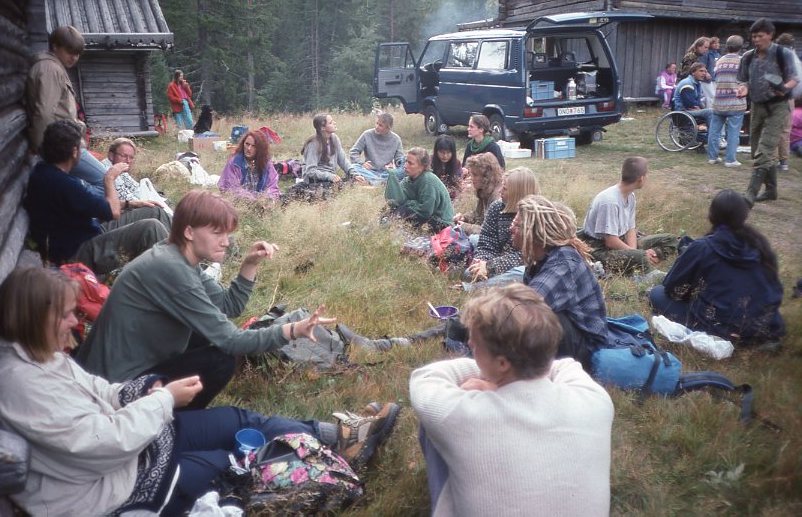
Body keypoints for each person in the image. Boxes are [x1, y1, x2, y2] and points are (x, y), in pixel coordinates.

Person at [0, 266, 400, 516]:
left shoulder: (45, 357)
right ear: (36, 320)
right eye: (66, 314)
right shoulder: (24, 386)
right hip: (106, 488)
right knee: (233, 461)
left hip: (132, 446)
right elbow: (101, 444)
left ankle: (341, 438)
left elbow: (101, 391)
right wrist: (163, 398)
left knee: (237, 421)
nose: (75, 321)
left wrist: (147, 389)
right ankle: (325, 476)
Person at [76, 190, 329, 409]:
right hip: (111, 387)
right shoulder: (171, 270)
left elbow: (228, 306)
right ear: (189, 232)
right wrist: (293, 330)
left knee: (206, 335)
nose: (226, 242)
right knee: (220, 360)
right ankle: (167, 423)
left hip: (119, 367)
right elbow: (231, 341)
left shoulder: (177, 257)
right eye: (218, 233)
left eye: (227, 234)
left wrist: (250, 264)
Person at [410, 284, 614, 517]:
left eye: (475, 344)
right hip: (518, 367)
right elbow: (563, 365)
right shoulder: (595, 400)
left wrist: (493, 382)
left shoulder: (460, 414)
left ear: (502, 363)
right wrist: (509, 375)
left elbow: (425, 377)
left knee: (430, 425)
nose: (470, 345)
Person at [23, 120, 169, 275]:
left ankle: (184, 255)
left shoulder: (45, 173)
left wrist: (130, 203)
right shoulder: (64, 184)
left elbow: (95, 205)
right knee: (151, 228)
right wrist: (110, 177)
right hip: (78, 253)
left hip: (90, 231)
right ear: (75, 152)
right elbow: (113, 212)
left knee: (154, 211)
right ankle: (174, 274)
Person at [649, 189, 785, 344]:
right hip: (759, 326)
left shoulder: (703, 247)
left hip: (717, 325)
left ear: (712, 215)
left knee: (656, 293)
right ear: (744, 216)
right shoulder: (760, 247)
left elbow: (672, 288)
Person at [26, 25, 108, 196]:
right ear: (55, 46)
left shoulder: (53, 67)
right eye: (70, 51)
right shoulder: (50, 69)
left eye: (77, 53)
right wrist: (38, 146)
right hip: (60, 145)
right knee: (105, 180)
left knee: (72, 185)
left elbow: (59, 110)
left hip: (62, 142)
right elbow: (44, 113)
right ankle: (81, 211)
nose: (74, 57)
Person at [737, 18, 799, 205]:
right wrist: (743, 89)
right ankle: (771, 190)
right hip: (757, 106)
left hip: (778, 106)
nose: (756, 40)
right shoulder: (748, 57)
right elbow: (744, 80)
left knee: (765, 149)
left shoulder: (782, 53)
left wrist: (785, 88)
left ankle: (750, 194)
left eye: (760, 36)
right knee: (756, 150)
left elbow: (794, 78)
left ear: (770, 35)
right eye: (754, 36)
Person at [580, 157, 677, 275]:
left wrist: (633, 251)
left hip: (621, 241)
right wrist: (636, 254)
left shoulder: (630, 196)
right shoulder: (609, 201)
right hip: (599, 249)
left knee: (670, 239)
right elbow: (610, 241)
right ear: (641, 179)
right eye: (646, 175)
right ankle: (651, 274)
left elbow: (630, 229)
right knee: (639, 256)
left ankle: (648, 258)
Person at [463, 167, 541, 290]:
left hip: (520, 265)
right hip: (496, 257)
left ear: (517, 193)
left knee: (521, 275)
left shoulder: (536, 216)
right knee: (469, 273)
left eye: (504, 189)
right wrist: (481, 262)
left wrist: (489, 267)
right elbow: (487, 241)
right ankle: (490, 284)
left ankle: (472, 289)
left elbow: (526, 256)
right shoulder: (497, 207)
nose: (499, 191)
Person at [384, 147, 455, 230]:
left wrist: (408, 204)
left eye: (410, 163)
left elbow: (425, 211)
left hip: (441, 222)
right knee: (389, 211)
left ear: (422, 167)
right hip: (426, 217)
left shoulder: (428, 180)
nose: (405, 166)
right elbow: (398, 200)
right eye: (406, 161)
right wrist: (392, 176)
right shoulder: (408, 180)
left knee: (403, 212)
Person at [102, 137, 173, 215]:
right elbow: (128, 200)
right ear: (111, 155)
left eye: (131, 157)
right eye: (124, 156)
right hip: (115, 215)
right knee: (156, 210)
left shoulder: (121, 171)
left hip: (127, 209)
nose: (128, 161)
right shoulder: (107, 171)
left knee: (164, 203)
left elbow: (137, 190)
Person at [707, 36, 747, 168]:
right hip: (736, 101)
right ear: (740, 47)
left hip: (719, 100)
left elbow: (715, 77)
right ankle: (730, 160)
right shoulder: (742, 61)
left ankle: (712, 157)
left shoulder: (719, 60)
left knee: (714, 131)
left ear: (727, 46)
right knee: (733, 132)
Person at [218, 130, 280, 201]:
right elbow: (232, 188)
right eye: (247, 144)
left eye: (254, 146)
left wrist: (267, 198)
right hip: (240, 202)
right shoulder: (235, 163)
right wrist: (252, 199)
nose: (249, 148)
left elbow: (273, 185)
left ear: (260, 149)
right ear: (243, 144)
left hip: (261, 201)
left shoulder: (266, 163)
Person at [453, 152, 503, 238]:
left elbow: (490, 232)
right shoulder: (484, 191)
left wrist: (466, 227)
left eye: (475, 175)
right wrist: (464, 218)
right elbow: (479, 215)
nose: (471, 178)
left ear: (487, 176)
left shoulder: (498, 198)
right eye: (471, 174)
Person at [348, 112, 405, 185]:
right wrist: (361, 163)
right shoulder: (367, 134)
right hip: (369, 171)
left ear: (388, 128)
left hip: (386, 172)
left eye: (380, 125)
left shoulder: (396, 139)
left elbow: (399, 159)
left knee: (405, 170)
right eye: (377, 123)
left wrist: (396, 165)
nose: (377, 127)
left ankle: (375, 182)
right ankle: (381, 182)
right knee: (353, 167)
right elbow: (354, 152)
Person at [302, 113, 356, 183]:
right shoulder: (313, 144)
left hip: (330, 177)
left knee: (356, 182)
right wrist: (329, 176)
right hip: (315, 180)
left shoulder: (334, 138)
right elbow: (311, 171)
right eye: (330, 122)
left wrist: (354, 174)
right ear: (323, 128)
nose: (334, 123)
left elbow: (343, 160)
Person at [775, 33, 797, 172]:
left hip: (776, 95)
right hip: (789, 97)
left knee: (772, 128)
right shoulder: (794, 58)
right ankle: (783, 162)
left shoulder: (775, 56)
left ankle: (773, 160)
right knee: (785, 130)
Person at [431, 135, 463, 200]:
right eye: (442, 152)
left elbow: (458, 185)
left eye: (448, 153)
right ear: (436, 152)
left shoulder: (456, 164)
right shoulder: (429, 163)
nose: (445, 156)